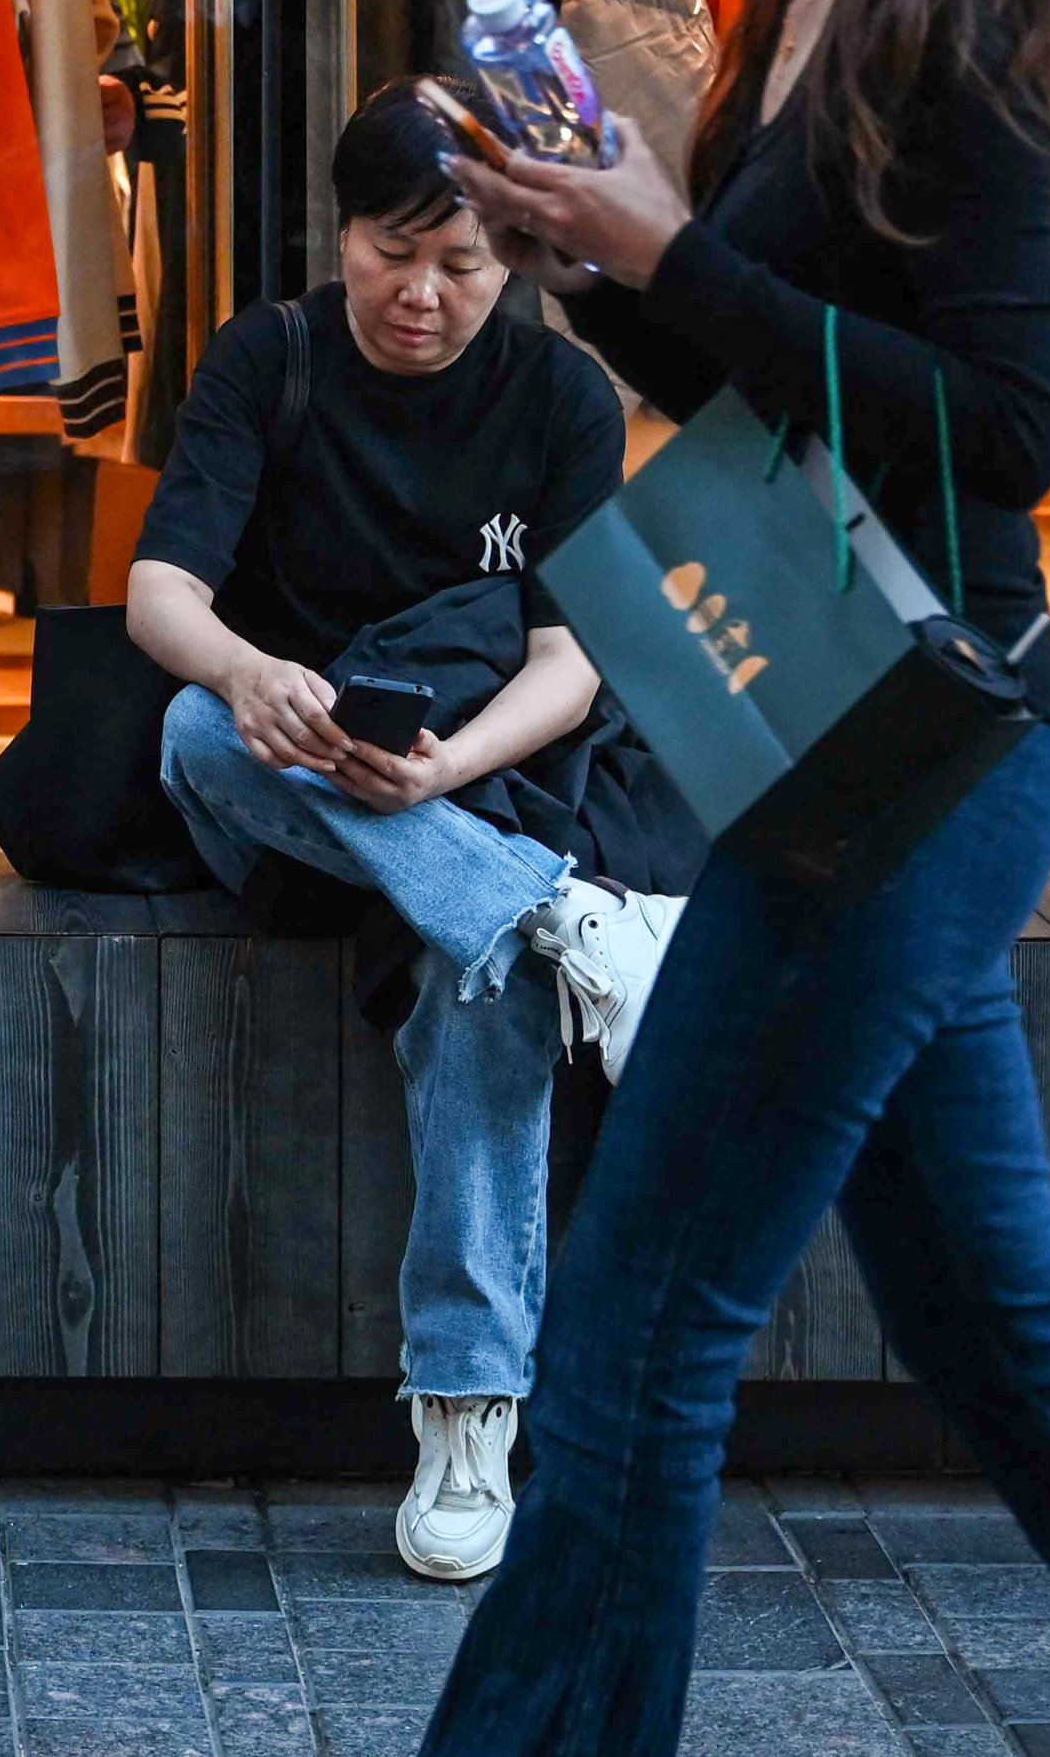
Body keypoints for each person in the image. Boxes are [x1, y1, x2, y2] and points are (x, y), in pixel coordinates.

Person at [425, 0, 1050, 1748]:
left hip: (908, 754)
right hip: (839, 737)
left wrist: (672, 250)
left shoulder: (961, 30)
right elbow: (768, 397)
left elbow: (1007, 425)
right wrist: (597, 255)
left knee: (633, 1314)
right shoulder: (792, 6)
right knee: (999, 1329)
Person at [130, 83, 698, 1583]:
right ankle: (563, 918)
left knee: (479, 975)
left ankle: (466, 1409)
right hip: (293, 785)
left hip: (473, 787)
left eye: (464, 266)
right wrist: (252, 672)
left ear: (512, 260)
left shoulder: (564, 400)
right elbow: (160, 597)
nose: (424, 296)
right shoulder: (271, 359)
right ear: (343, 234)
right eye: (395, 253)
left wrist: (446, 780)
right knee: (194, 729)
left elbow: (573, 664)